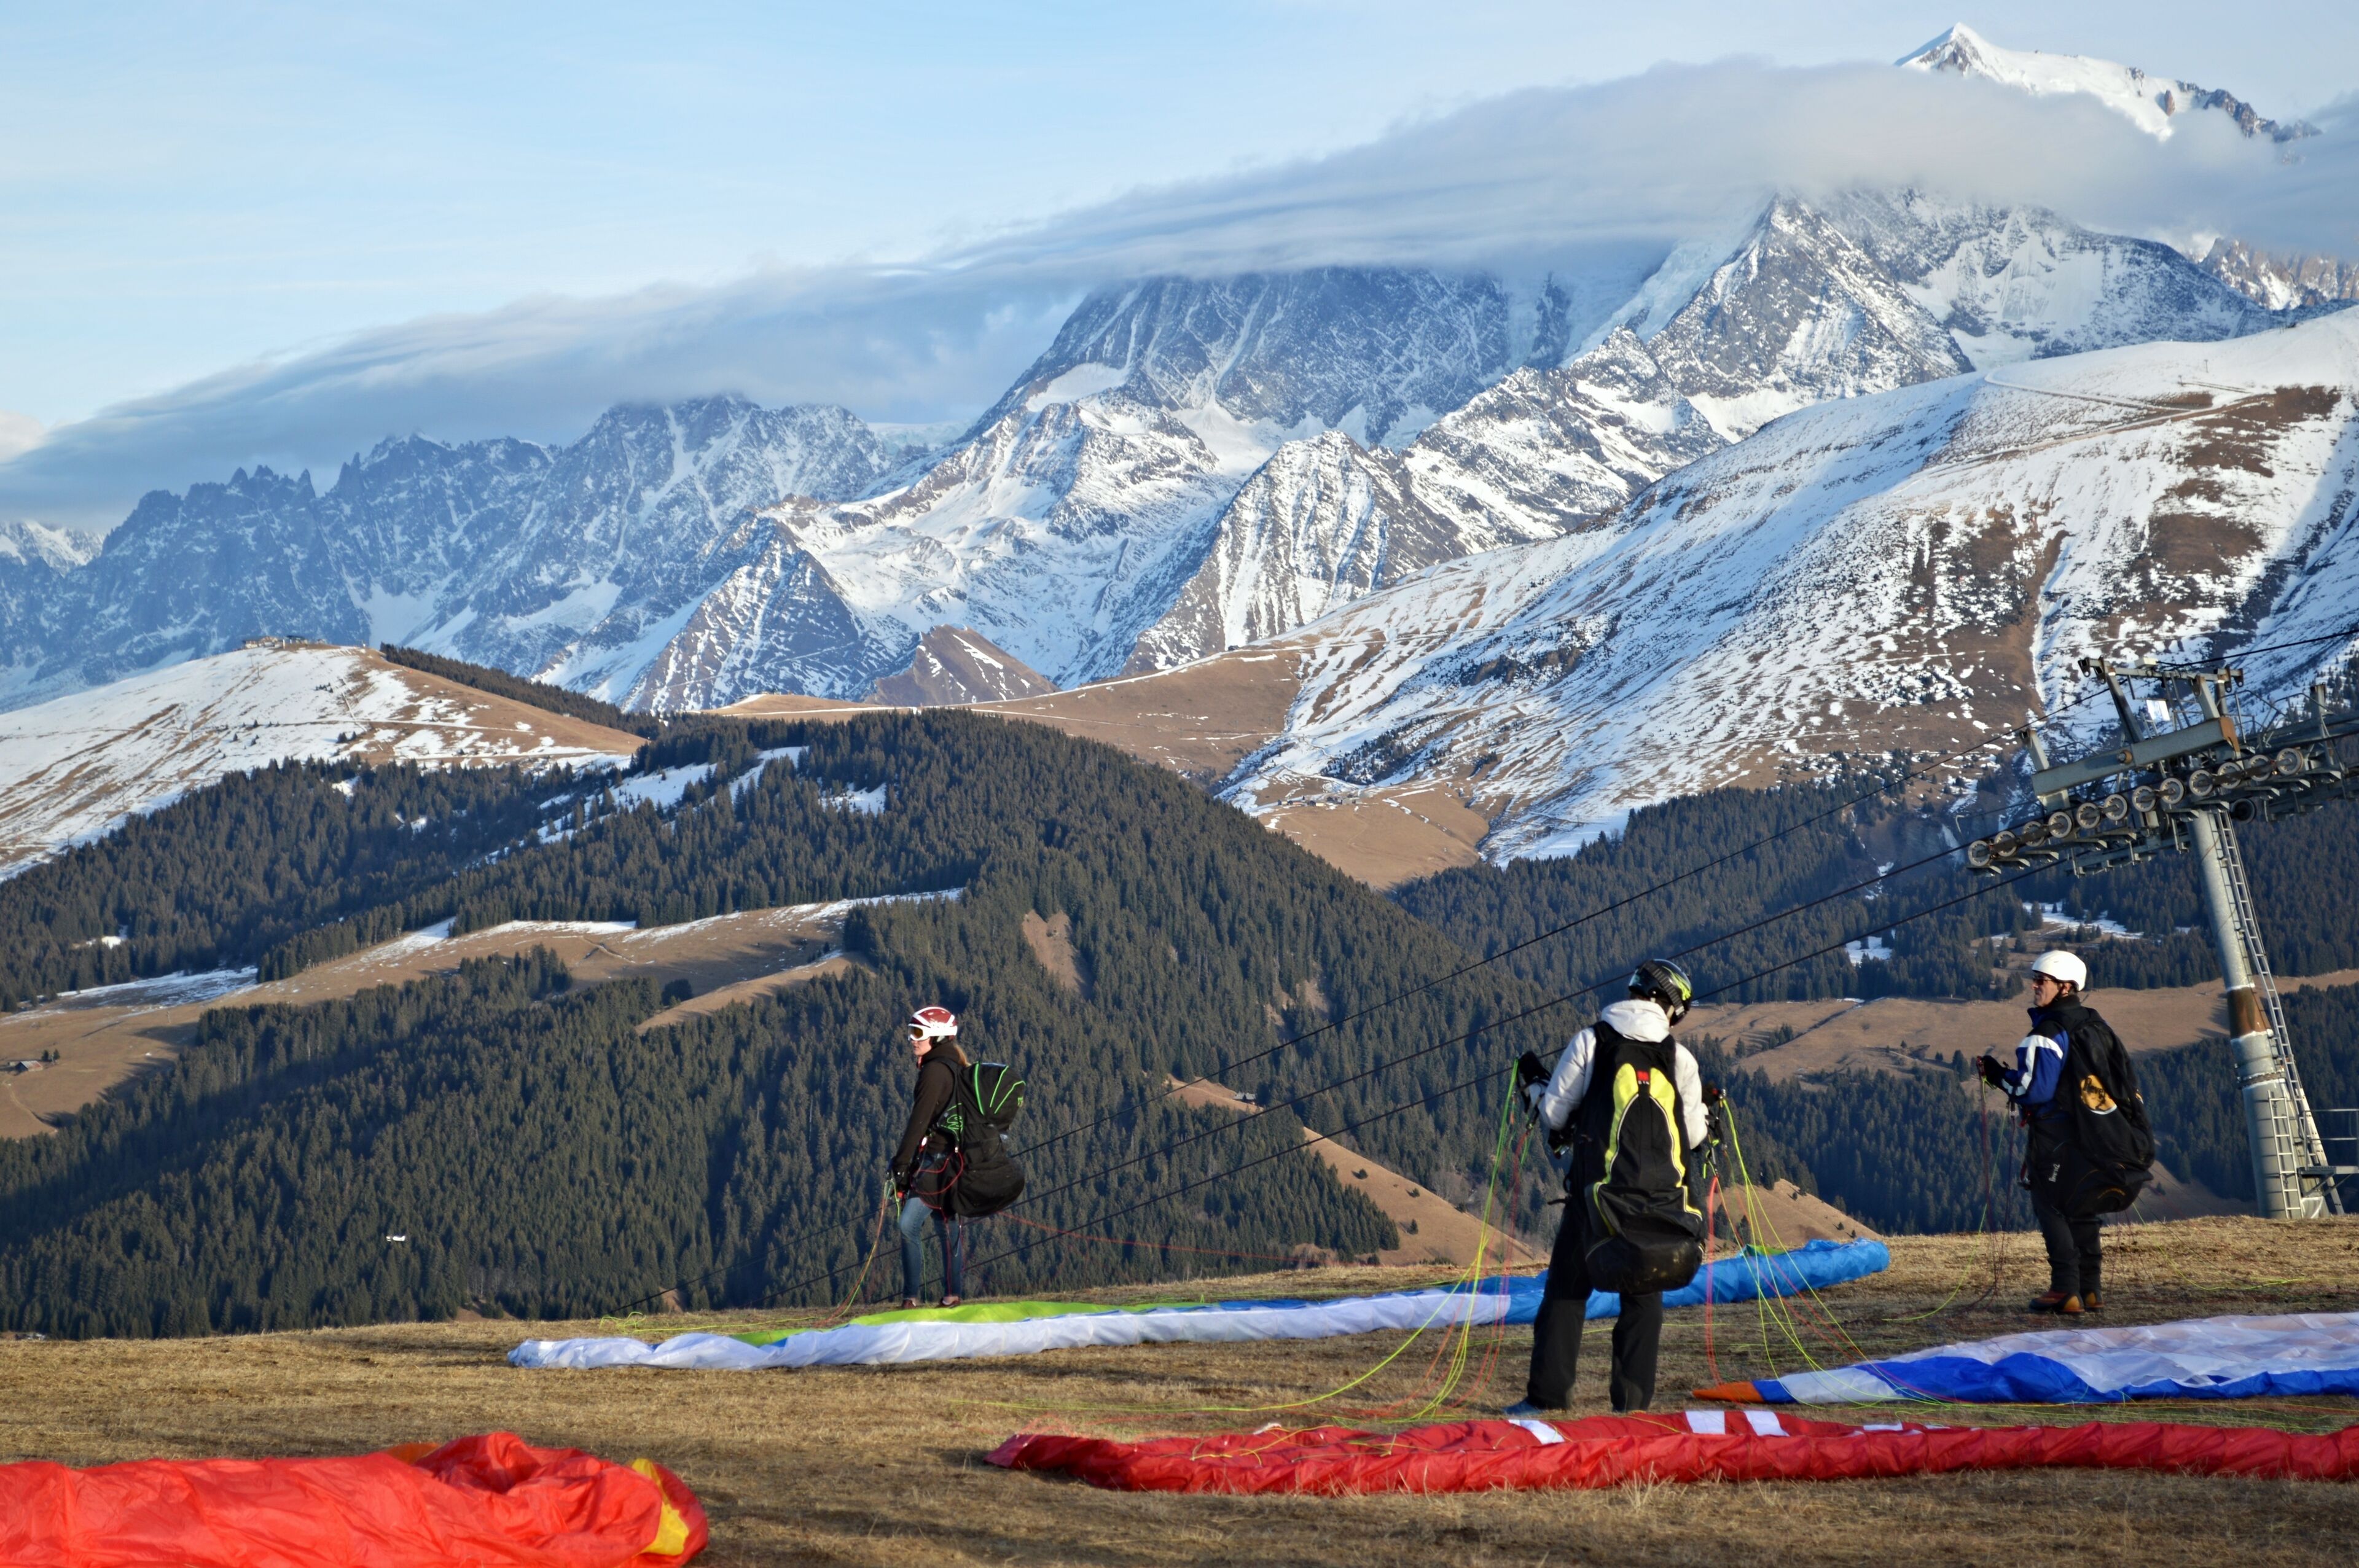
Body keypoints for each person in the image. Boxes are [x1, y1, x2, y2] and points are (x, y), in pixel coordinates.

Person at [1505, 958, 1710, 1418]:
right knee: (1644, 1297)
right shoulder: (1681, 1059)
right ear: (1672, 1007)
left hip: (1595, 1200)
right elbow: (1694, 1135)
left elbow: (1556, 1115)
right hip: (1661, 1205)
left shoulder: (1591, 1041)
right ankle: (1633, 1408)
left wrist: (1537, 1089)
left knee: (1566, 1290)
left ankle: (1548, 1397)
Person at [1978, 950, 2144, 1316]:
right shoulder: (2096, 1025)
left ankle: (2064, 1289)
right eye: (2034, 979)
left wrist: (1996, 1076)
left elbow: (2033, 1090)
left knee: (2052, 1205)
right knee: (2082, 1206)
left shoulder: (2048, 1032)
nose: (2034, 986)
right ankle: (2091, 1289)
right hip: (2094, 1131)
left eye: (2042, 980)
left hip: (2055, 1136)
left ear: (2065, 986)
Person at [890, 1004, 970, 1309]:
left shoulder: (934, 1071)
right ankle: (952, 1295)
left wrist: (900, 1165)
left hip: (936, 1160)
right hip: (956, 1160)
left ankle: (911, 1297)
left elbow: (918, 1121)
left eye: (918, 1033)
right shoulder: (954, 1066)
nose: (912, 1038)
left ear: (936, 1037)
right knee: (946, 1224)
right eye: (911, 1031)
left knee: (908, 1224)